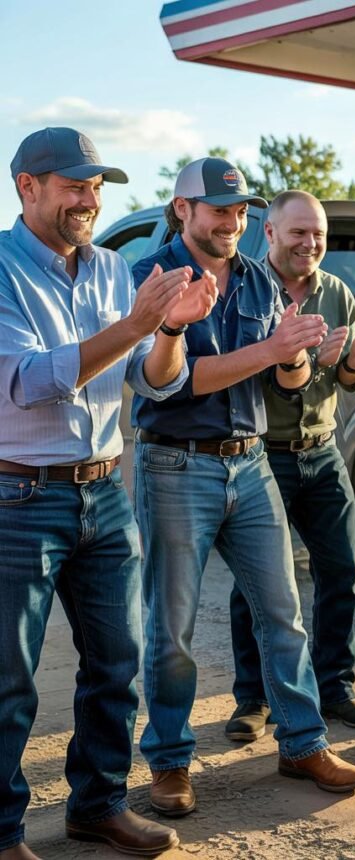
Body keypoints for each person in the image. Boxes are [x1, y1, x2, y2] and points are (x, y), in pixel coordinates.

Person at [0, 127, 218, 859]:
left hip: (104, 493)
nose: (89, 199)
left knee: (117, 666)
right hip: (19, 498)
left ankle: (97, 806)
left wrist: (169, 331)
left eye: (96, 186)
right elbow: (30, 381)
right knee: (9, 680)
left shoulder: (113, 268)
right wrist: (137, 324)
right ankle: (2, 833)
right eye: (74, 185)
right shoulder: (1, 267)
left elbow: (157, 382)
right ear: (28, 186)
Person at [132, 158, 355, 819]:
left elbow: (287, 383)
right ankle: (170, 762)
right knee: (172, 628)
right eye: (219, 210)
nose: (232, 222)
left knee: (283, 613)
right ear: (183, 209)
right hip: (175, 465)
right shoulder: (151, 278)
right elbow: (175, 383)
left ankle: (302, 742)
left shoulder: (259, 279)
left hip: (250, 460)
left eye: (240, 211)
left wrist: (295, 354)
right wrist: (273, 351)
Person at [226, 190, 355, 739]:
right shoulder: (245, 290)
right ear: (270, 232)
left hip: (323, 453)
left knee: (340, 573)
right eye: (299, 232)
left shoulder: (337, 293)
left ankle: (336, 688)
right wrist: (298, 358)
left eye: (318, 234)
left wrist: (352, 366)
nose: (310, 243)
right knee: (255, 583)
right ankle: (253, 697)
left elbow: (346, 379)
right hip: (262, 455)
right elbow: (238, 373)